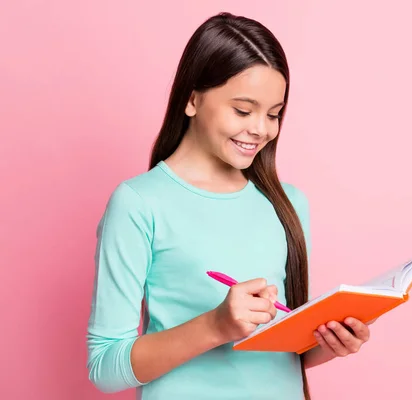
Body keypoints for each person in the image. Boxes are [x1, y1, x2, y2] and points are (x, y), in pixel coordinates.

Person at [86, 12, 373, 400]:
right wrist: (216, 326)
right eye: (243, 110)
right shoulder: (139, 203)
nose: (261, 129)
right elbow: (105, 367)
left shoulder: (288, 204)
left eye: (273, 114)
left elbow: (284, 354)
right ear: (191, 99)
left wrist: (330, 343)